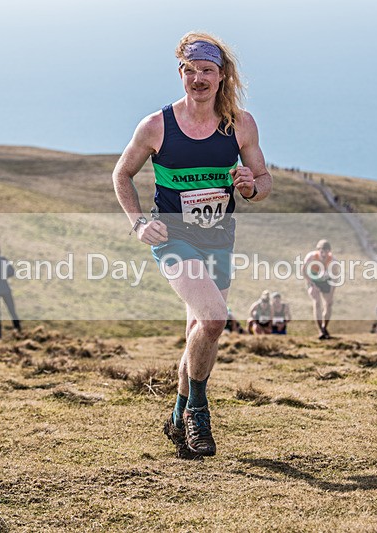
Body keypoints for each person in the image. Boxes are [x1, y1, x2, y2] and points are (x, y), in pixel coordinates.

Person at [112, 32, 271, 459]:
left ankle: (177, 417)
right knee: (216, 319)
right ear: (180, 73)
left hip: (219, 238)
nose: (198, 78)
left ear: (222, 77)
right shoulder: (156, 126)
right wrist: (139, 222)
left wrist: (251, 185)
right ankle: (198, 412)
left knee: (198, 332)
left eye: (207, 71)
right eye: (190, 70)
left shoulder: (241, 123)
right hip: (174, 237)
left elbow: (264, 181)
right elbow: (122, 175)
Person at [302, 239, 336, 339]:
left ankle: (325, 327)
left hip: (326, 281)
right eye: (322, 252)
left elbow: (334, 278)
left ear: (329, 252)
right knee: (317, 302)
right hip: (313, 280)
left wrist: (332, 294)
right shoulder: (311, 257)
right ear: (318, 251)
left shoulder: (333, 260)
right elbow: (303, 271)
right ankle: (320, 330)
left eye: (326, 252)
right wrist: (311, 284)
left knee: (328, 304)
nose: (324, 254)